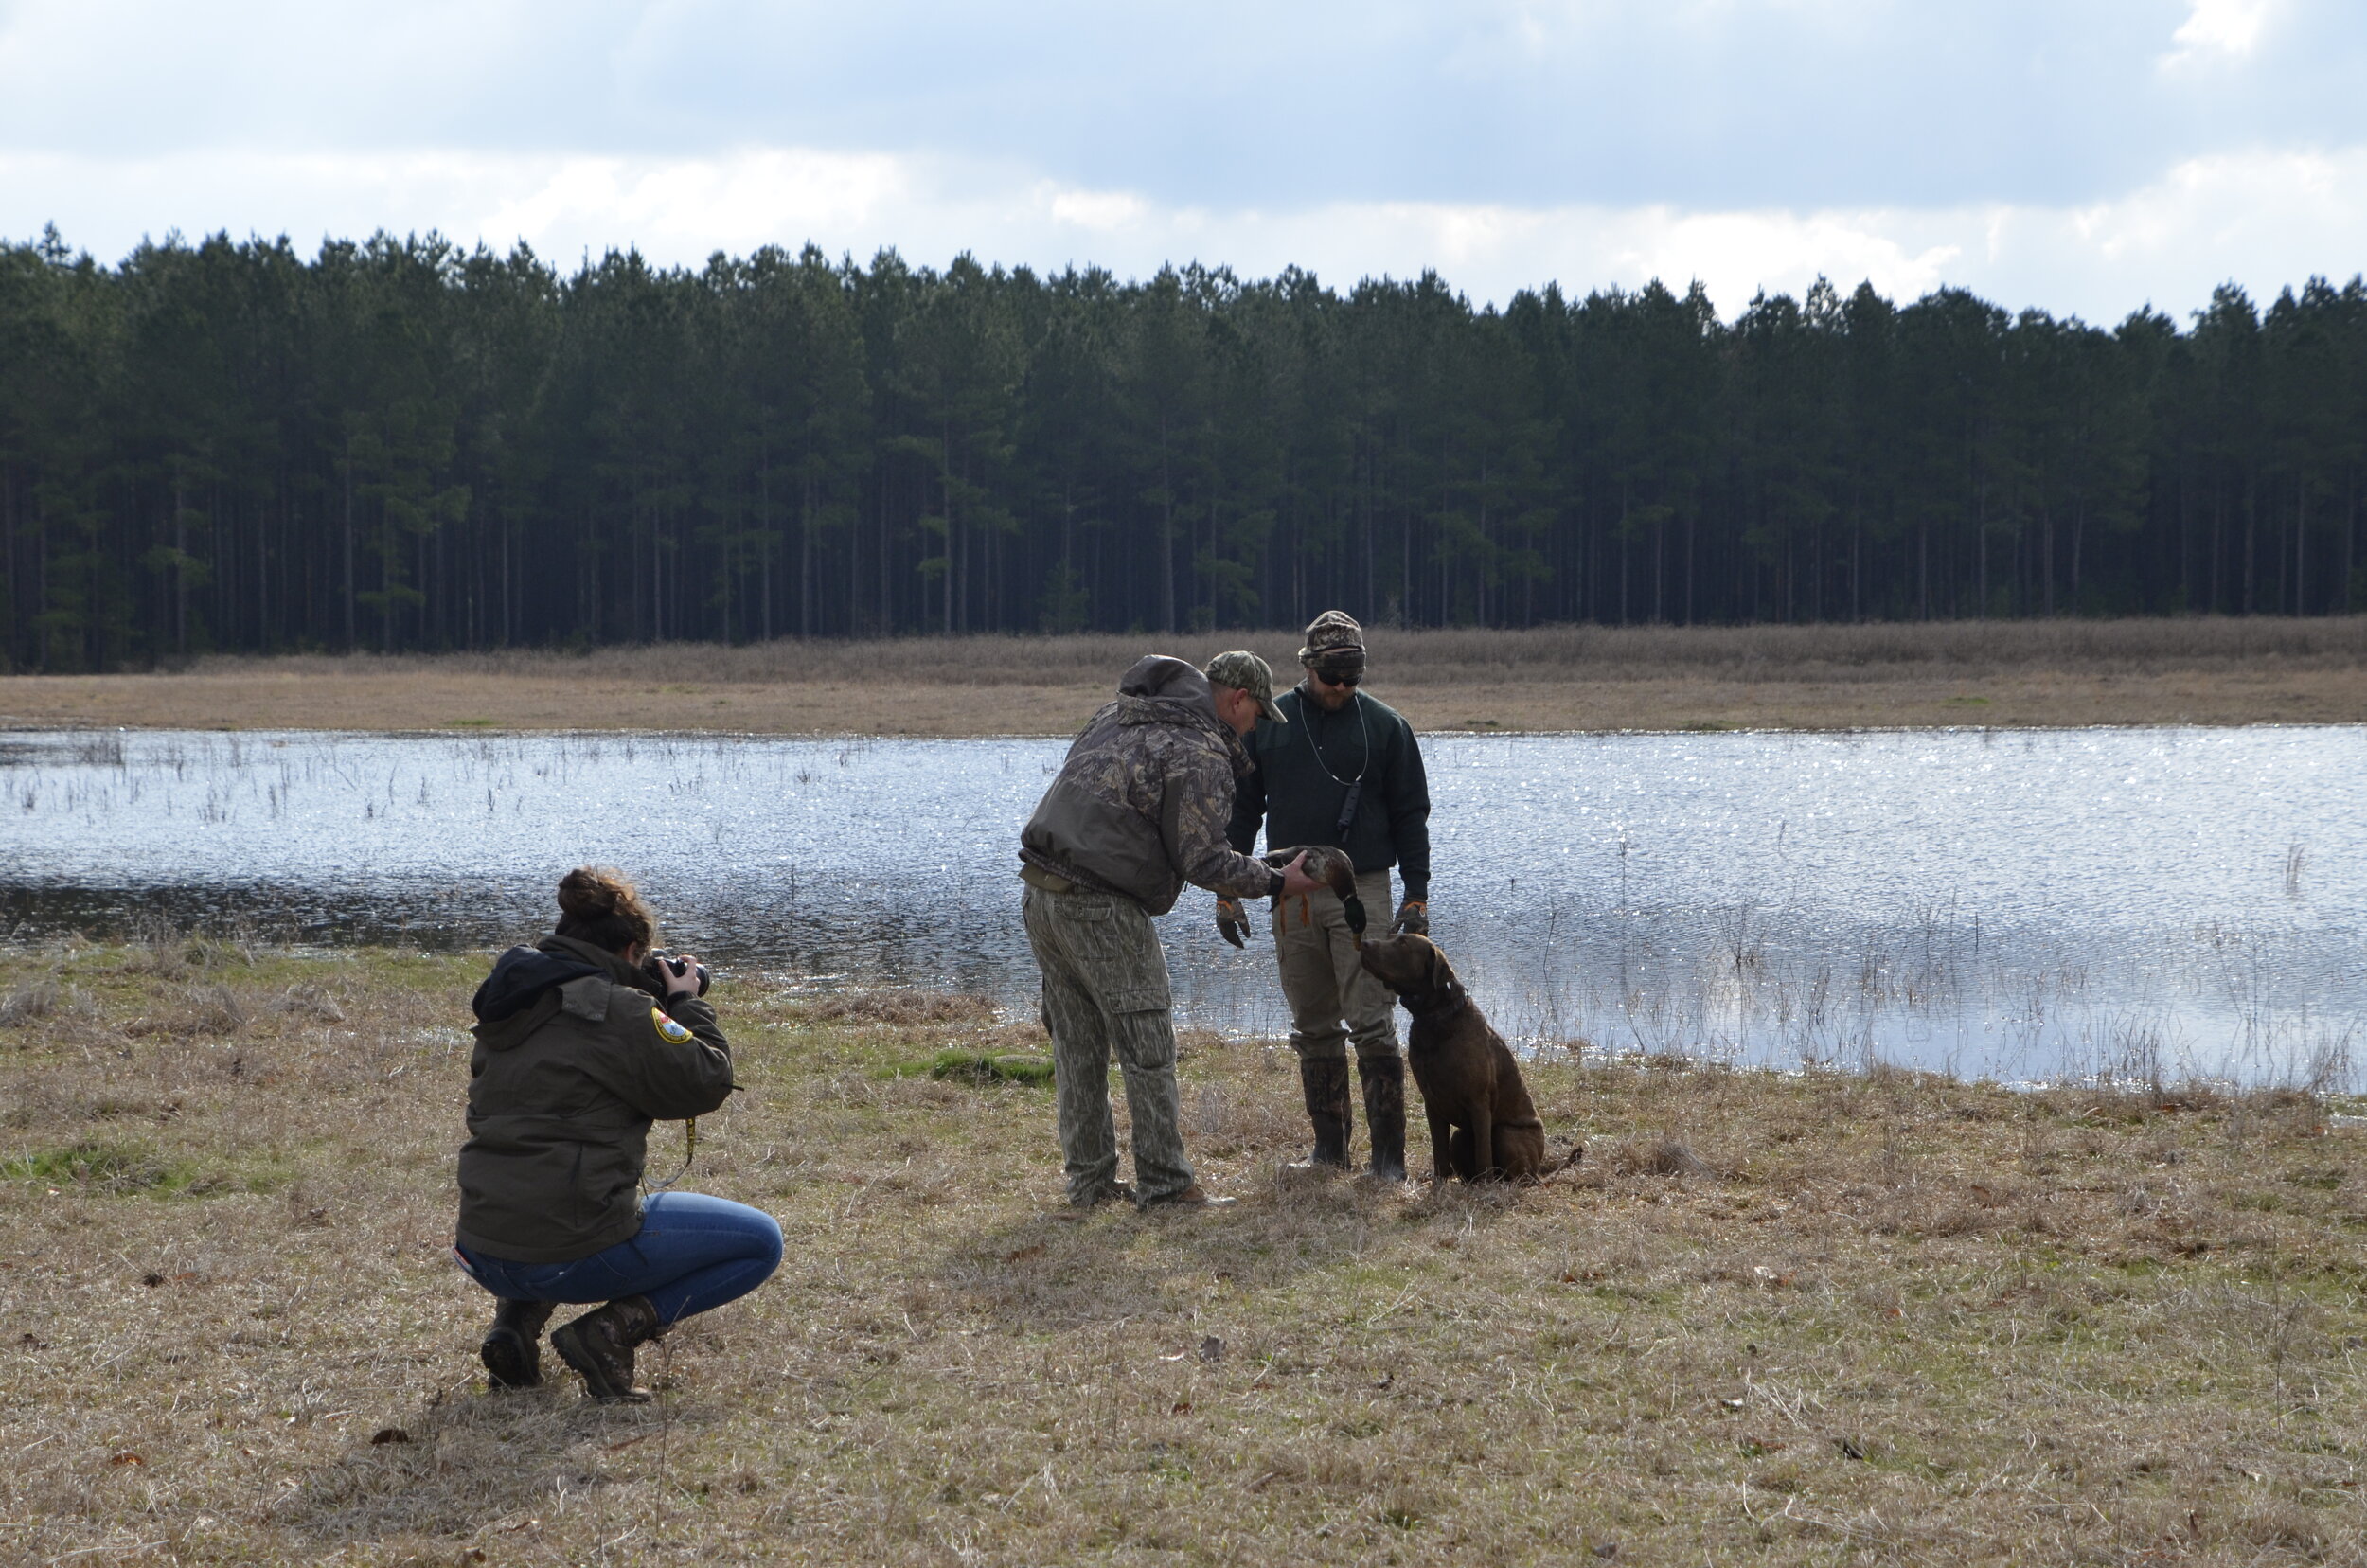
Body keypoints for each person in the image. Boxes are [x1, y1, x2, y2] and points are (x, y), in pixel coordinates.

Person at [454, 867, 782, 1403]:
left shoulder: (511, 999)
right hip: (566, 1254)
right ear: (631, 951)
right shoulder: (617, 1009)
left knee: (541, 1185)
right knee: (761, 1242)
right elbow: (707, 1079)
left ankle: (513, 1324)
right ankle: (607, 1333)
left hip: (483, 1247)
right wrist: (683, 1002)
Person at [1019, 650, 1322, 1209]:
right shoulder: (1198, 749)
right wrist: (1280, 881)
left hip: (1041, 893)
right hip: (1102, 906)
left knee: (1077, 1047)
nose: (1254, 728)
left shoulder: (1118, 714)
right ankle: (1167, 1186)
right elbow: (1203, 859)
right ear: (1238, 699)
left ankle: (1090, 1185)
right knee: (1148, 1045)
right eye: (1257, 715)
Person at [1219, 611, 1432, 1183]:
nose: (1341, 687)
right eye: (1331, 676)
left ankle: (1388, 1161)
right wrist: (1227, 891)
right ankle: (1329, 1152)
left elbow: (1412, 817)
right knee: (1313, 1024)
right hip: (1289, 892)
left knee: (1371, 1022)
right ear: (1307, 667)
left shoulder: (1387, 728)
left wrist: (1416, 896)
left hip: (1364, 889)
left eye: (1351, 677)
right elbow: (1243, 813)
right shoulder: (1270, 725)